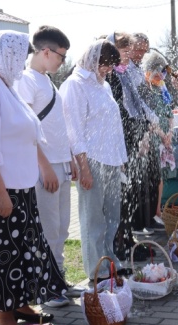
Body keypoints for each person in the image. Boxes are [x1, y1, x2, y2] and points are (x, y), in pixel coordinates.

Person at [0, 30, 67, 325]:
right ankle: (3, 315)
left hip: (21, 186)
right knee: (4, 256)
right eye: (16, 56)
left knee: (24, 252)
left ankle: (20, 304)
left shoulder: (5, 84)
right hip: (1, 189)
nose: (19, 64)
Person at [14, 25, 78, 307]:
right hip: (45, 167)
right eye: (61, 56)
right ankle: (47, 289)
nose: (62, 62)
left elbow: (57, 126)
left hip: (60, 163)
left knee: (62, 227)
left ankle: (58, 280)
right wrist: (45, 167)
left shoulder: (46, 80)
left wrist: (70, 159)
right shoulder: (26, 80)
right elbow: (26, 129)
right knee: (49, 229)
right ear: (46, 51)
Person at [60, 40, 128, 282]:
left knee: (112, 216)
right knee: (93, 218)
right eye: (105, 66)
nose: (108, 71)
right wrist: (84, 168)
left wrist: (120, 158)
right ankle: (95, 270)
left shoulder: (104, 86)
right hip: (91, 159)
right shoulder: (75, 85)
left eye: (110, 67)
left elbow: (114, 125)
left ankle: (109, 260)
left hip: (110, 159)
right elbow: (73, 130)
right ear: (93, 61)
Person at [106, 31, 158, 261]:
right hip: (118, 144)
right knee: (119, 195)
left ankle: (127, 238)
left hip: (131, 141)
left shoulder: (124, 74)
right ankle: (119, 242)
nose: (128, 56)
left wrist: (146, 130)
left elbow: (136, 105)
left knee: (129, 194)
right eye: (124, 51)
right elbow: (118, 113)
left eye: (129, 51)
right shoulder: (110, 77)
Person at [137, 48, 172, 227]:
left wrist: (170, 133)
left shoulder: (162, 88)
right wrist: (160, 134)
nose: (161, 77)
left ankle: (158, 210)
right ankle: (153, 212)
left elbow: (169, 113)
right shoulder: (143, 88)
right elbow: (147, 116)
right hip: (152, 137)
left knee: (162, 176)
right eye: (158, 73)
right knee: (154, 176)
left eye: (163, 73)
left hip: (165, 137)